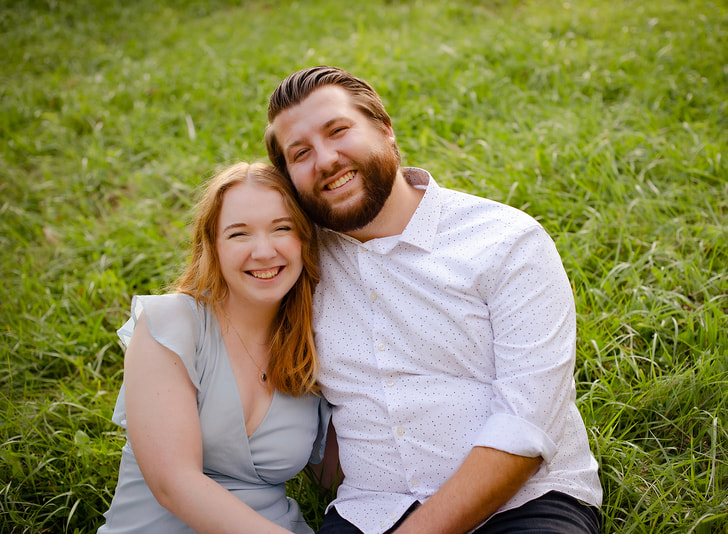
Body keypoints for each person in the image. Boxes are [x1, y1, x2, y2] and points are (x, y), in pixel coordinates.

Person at [263, 66, 603, 534]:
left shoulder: (506, 241)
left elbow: (526, 427)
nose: (325, 160)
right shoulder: (297, 265)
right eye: (300, 154)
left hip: (524, 505)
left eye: (338, 130)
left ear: (385, 129)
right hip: (369, 512)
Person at [98, 162, 329, 534]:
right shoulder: (173, 325)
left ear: (305, 239)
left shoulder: (315, 346)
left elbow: (343, 477)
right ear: (213, 246)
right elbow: (174, 484)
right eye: (239, 234)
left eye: (282, 228)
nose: (264, 251)